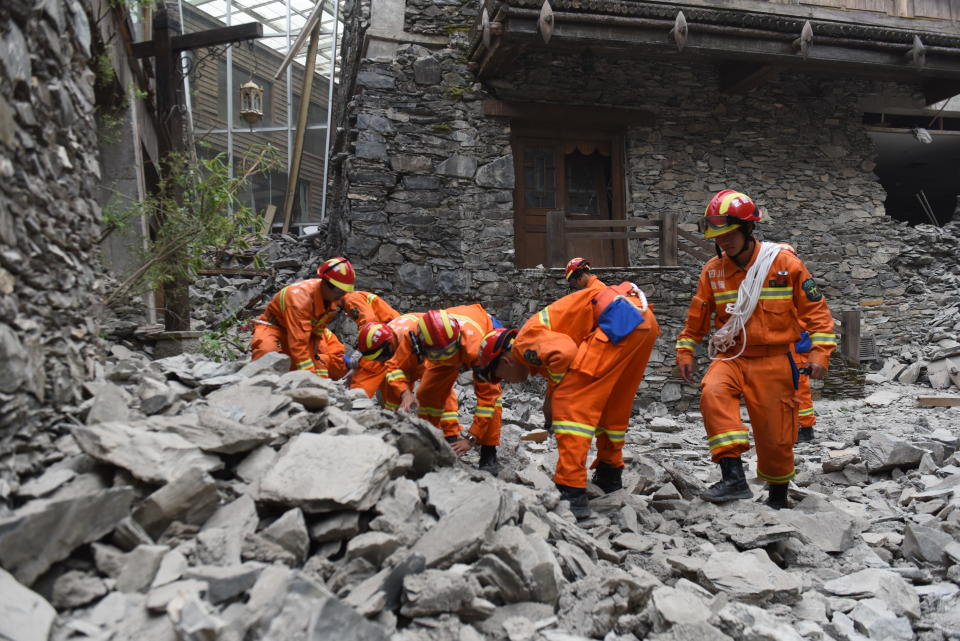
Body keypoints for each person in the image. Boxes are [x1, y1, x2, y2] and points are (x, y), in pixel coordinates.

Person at [675, 190, 837, 509]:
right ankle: (733, 477)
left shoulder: (783, 264)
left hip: (775, 360)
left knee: (775, 438)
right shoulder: (712, 271)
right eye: (719, 238)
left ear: (748, 229)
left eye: (730, 234)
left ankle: (778, 496)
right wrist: (685, 350)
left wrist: (819, 354)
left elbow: (817, 313)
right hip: (732, 356)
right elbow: (696, 319)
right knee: (712, 392)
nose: (724, 243)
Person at [475, 281, 660, 519]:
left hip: (617, 323)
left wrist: (557, 396)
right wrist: (551, 396)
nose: (505, 383)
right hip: (641, 321)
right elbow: (560, 361)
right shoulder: (534, 340)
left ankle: (571, 490)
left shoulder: (522, 344)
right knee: (614, 406)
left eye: (499, 377)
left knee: (572, 405)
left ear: (505, 361)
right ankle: (609, 473)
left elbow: (564, 353)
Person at [414, 307, 503, 474]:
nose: (445, 358)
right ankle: (444, 438)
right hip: (446, 344)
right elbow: (431, 394)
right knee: (428, 391)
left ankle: (489, 452)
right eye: (438, 355)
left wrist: (472, 438)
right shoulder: (431, 336)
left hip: (486, 329)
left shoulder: (477, 350)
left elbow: (487, 398)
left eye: (447, 353)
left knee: (493, 395)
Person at [250, 257, 355, 378]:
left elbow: (317, 331)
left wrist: (314, 353)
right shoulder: (299, 301)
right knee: (266, 354)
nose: (342, 296)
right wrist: (309, 380)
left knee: (323, 360)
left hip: (305, 332)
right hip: (274, 328)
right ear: (326, 284)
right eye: (340, 292)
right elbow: (299, 345)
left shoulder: (331, 298)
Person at [352, 315, 457, 419]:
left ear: (388, 345)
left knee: (436, 387)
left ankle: (447, 427)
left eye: (382, 357)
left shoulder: (416, 342)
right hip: (408, 353)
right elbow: (392, 371)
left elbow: (440, 382)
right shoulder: (385, 338)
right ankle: (393, 417)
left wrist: (450, 428)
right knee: (390, 381)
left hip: (425, 352)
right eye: (378, 359)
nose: (383, 361)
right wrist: (404, 394)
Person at [340, 290, 401, 393]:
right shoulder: (353, 298)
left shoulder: (351, 299)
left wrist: (361, 350)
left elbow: (368, 320)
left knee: (368, 368)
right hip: (387, 332)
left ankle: (358, 397)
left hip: (382, 334)